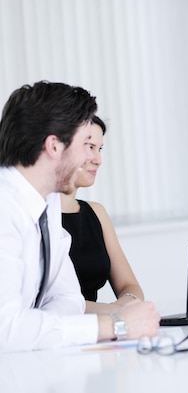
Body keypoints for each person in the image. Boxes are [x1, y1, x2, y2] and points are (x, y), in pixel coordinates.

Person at [0, 81, 159, 352]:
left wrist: (37, 326)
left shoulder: (46, 205)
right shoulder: (5, 208)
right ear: (54, 146)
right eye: (86, 145)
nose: (92, 158)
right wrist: (115, 325)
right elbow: (6, 330)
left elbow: (69, 297)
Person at [61, 116, 144, 314]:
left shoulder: (96, 212)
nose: (98, 160)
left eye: (100, 149)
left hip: (100, 329)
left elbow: (129, 286)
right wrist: (112, 312)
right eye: (89, 147)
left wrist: (123, 306)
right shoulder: (31, 215)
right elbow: (51, 305)